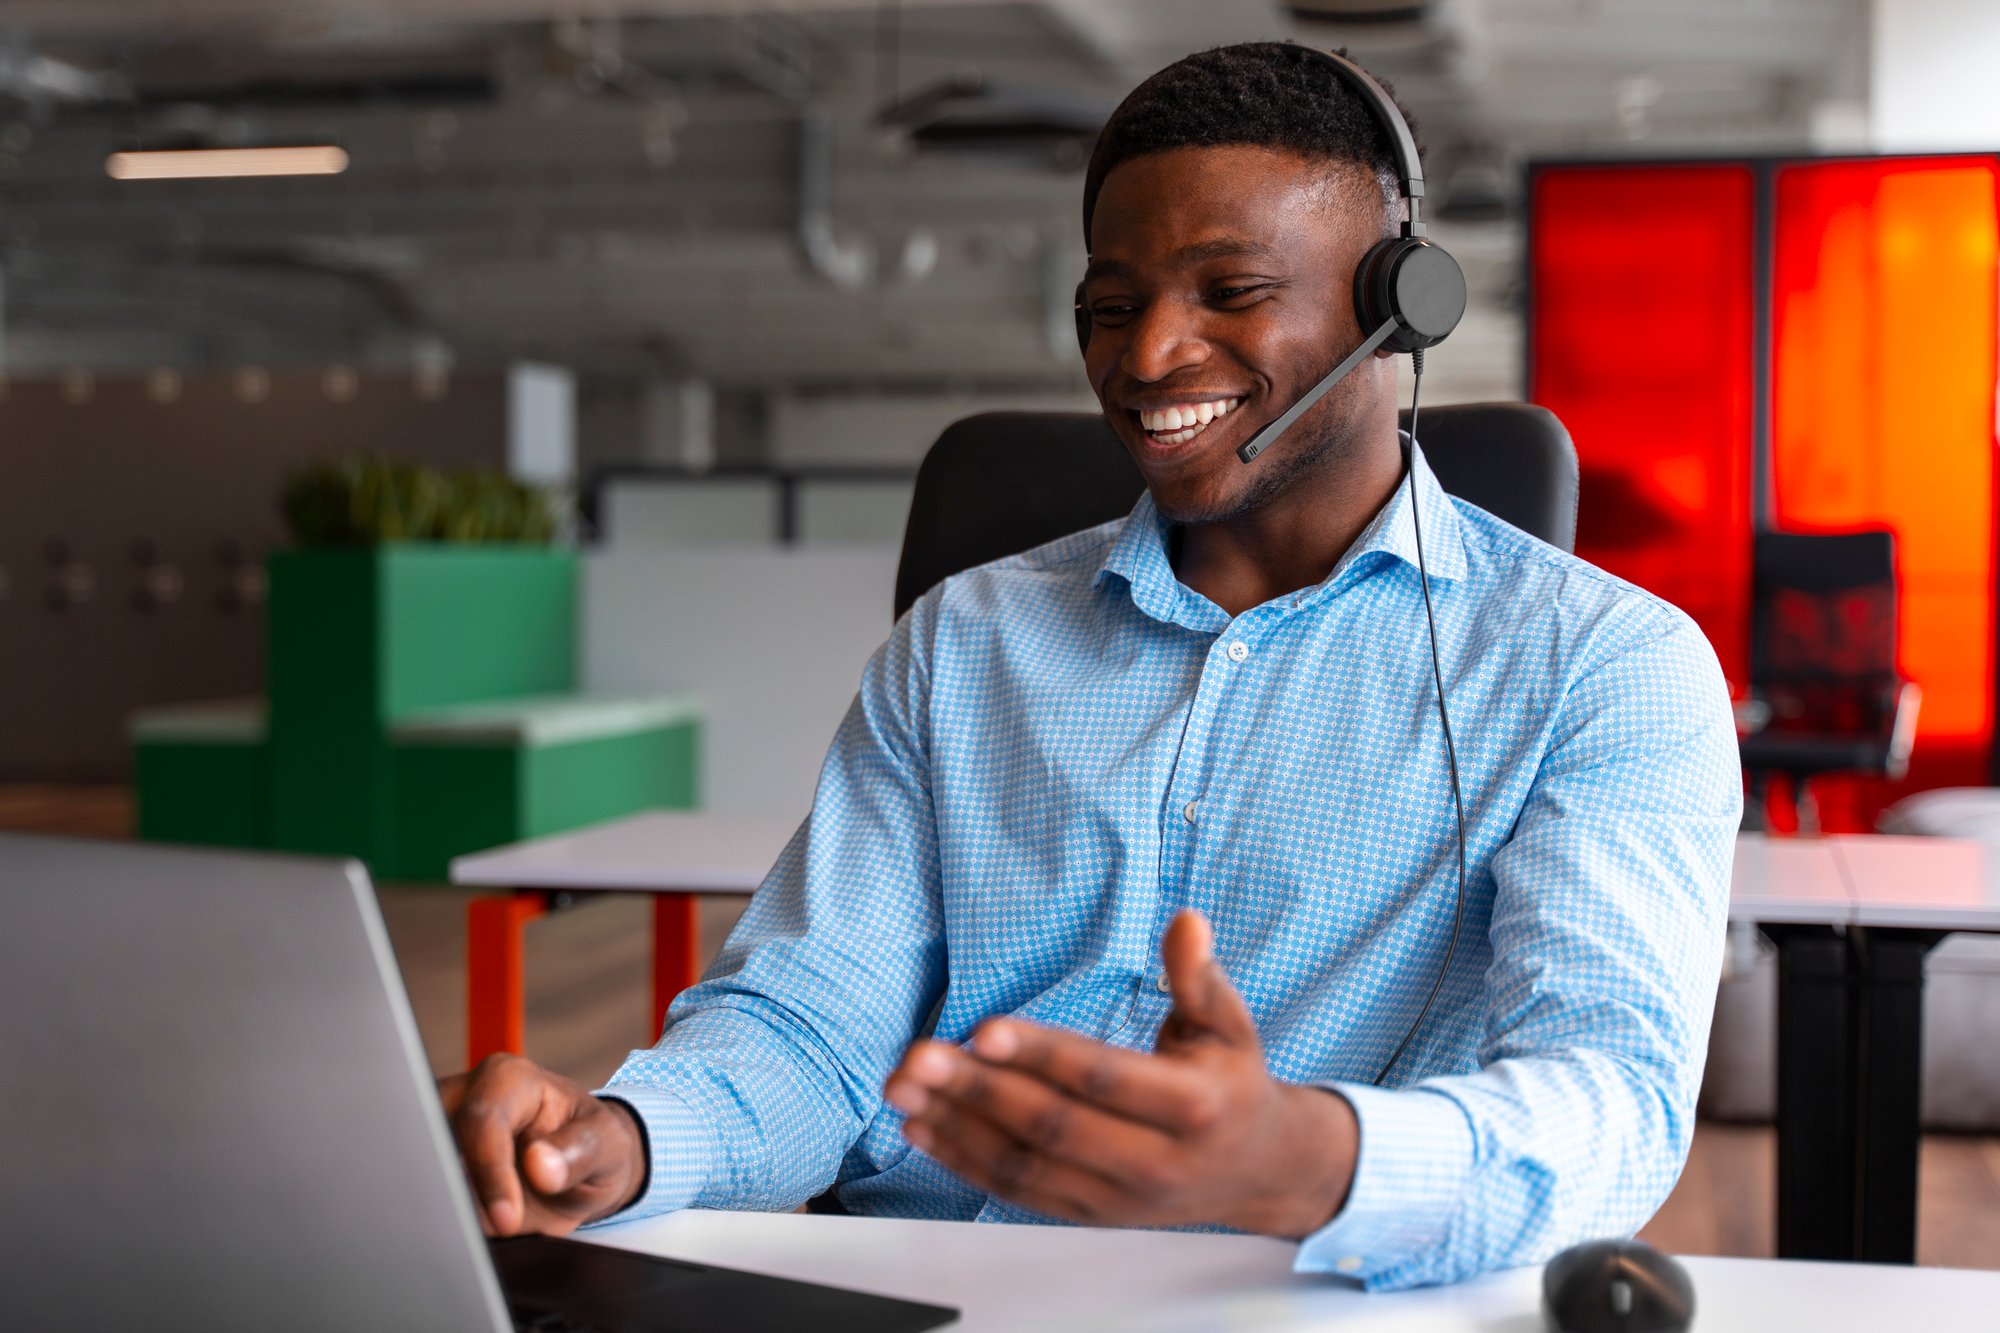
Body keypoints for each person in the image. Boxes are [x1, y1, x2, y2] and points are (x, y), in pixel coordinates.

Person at [438, 42, 1739, 1291]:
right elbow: (810, 1021)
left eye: (1229, 292)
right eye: (1110, 306)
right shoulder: (966, 642)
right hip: (920, 1285)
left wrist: (1302, 1154)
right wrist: (622, 1138)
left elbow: (1607, 1099)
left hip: (1288, 1294)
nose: (1147, 354)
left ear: (1397, 304)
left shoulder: (1601, 667)